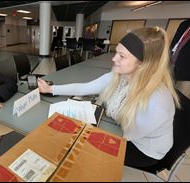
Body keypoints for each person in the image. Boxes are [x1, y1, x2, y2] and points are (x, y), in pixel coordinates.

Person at [38, 27, 180, 168]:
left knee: (79, 149)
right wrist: (50, 89)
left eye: (122, 56)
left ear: (143, 63)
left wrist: (83, 131)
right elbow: (85, 88)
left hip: (143, 150)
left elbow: (123, 136)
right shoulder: (121, 75)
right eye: (116, 52)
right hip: (123, 131)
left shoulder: (157, 101)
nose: (114, 58)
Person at [170, 19, 190, 99]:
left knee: (181, 101)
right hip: (171, 69)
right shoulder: (185, 24)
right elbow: (174, 44)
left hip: (186, 77)